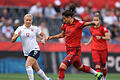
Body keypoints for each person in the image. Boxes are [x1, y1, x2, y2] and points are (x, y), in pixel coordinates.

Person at [47, 5, 103, 80]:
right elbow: (62, 34)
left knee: (62, 67)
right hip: (69, 50)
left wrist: (94, 22)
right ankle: (97, 74)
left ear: (69, 17)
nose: (64, 20)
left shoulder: (78, 23)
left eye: (64, 19)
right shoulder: (65, 25)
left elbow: (87, 23)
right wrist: (52, 37)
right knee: (80, 67)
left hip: (75, 50)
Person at [11, 14, 52, 80]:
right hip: (26, 52)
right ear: (24, 20)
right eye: (27, 20)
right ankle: (47, 79)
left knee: (28, 65)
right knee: (36, 69)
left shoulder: (35, 28)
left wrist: (43, 39)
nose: (28, 21)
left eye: (29, 20)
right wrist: (16, 37)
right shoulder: (20, 29)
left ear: (32, 21)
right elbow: (12, 40)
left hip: (35, 49)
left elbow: (43, 35)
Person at [84, 12, 111, 80]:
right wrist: (88, 43)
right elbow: (93, 36)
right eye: (94, 20)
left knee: (103, 66)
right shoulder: (91, 28)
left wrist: (101, 37)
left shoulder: (103, 28)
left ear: (100, 21)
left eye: (97, 20)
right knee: (97, 65)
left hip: (103, 49)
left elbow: (108, 38)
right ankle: (98, 78)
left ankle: (104, 78)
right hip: (95, 49)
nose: (95, 21)